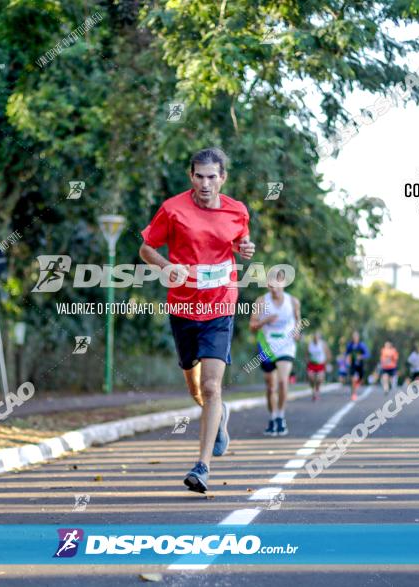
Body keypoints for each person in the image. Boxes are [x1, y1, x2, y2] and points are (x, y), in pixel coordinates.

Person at [139, 147, 255, 494]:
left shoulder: (237, 210)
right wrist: (166, 267)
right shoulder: (172, 209)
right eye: (199, 176)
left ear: (223, 178)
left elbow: (240, 242)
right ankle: (218, 420)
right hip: (183, 306)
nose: (206, 184)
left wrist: (245, 250)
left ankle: (201, 466)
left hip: (220, 304)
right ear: (191, 177)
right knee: (194, 388)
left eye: (212, 177)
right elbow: (146, 248)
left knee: (211, 386)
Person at [250, 270, 301, 436]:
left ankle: (280, 416)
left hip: (286, 345)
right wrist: (265, 320)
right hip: (266, 345)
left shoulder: (293, 301)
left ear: (283, 283)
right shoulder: (261, 301)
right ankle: (272, 417)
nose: (274, 288)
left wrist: (297, 332)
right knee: (270, 386)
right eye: (270, 285)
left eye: (277, 284)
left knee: (282, 382)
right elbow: (252, 326)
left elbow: (298, 322)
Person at [345, 331, 370, 401]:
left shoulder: (361, 345)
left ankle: (357, 384)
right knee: (353, 379)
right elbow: (346, 353)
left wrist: (361, 356)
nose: (355, 338)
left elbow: (367, 354)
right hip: (353, 364)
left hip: (360, 365)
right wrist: (347, 359)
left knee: (360, 379)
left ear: (358, 337)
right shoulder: (350, 345)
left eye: (356, 336)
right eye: (353, 337)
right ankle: (353, 394)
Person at [306, 332, 330, 401]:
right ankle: (313, 391)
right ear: (313, 338)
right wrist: (307, 361)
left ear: (319, 338)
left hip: (320, 364)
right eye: (314, 338)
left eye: (317, 338)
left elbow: (328, 354)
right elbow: (306, 354)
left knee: (319, 379)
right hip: (311, 364)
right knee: (311, 378)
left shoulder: (323, 344)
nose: (316, 339)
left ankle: (317, 389)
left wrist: (326, 363)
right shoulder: (310, 345)